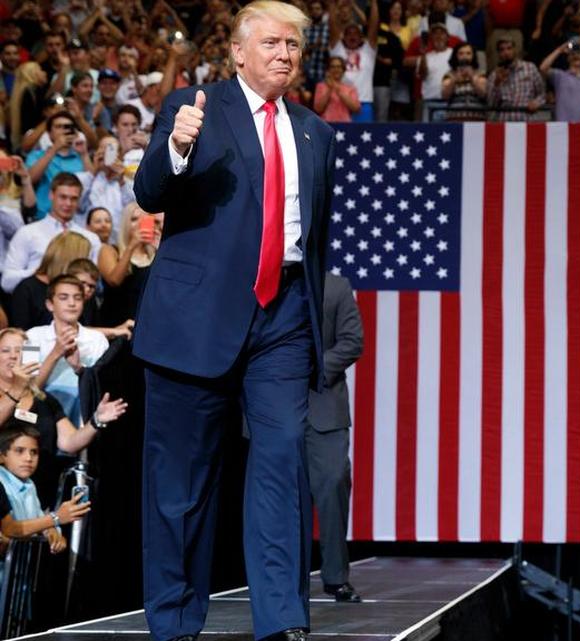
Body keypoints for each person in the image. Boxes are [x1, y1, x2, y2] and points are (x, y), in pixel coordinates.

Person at [131, 1, 335, 639]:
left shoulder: (314, 131)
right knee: (181, 486)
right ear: (239, 53)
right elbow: (149, 193)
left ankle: (282, 622)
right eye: (272, 43)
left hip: (282, 322)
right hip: (195, 323)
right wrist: (177, 147)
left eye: (294, 46)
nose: (284, 54)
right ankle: (173, 622)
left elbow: (313, 234)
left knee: (280, 463)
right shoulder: (194, 108)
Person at [0, 327, 127, 510]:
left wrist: (96, 420)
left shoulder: (44, 400)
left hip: (39, 498)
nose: (13, 356)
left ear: (29, 356)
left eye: (20, 350)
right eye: (5, 350)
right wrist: (16, 391)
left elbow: (69, 442)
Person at [307, 272, 364, 603]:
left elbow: (352, 341)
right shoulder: (263, 281)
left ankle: (335, 576)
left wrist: (310, 368)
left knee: (333, 482)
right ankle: (285, 581)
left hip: (323, 405)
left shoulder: (336, 287)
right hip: (273, 408)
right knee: (282, 499)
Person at [26, 275, 111, 426]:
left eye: (77, 298)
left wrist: (79, 368)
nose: (72, 303)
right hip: (42, 420)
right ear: (50, 304)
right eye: (63, 297)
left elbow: (101, 388)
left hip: (83, 419)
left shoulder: (98, 340)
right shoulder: (31, 337)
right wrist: (56, 353)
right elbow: (28, 390)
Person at [3, 173, 101, 294]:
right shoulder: (27, 233)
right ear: (51, 195)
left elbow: (95, 283)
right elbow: (7, 282)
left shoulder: (91, 239)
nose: (68, 204)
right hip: (35, 302)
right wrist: (41, 272)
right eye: (63, 197)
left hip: (77, 305)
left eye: (74, 198)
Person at [0, 425, 91, 547]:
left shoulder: (29, 484)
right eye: (19, 451)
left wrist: (53, 534)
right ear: (2, 456)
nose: (28, 458)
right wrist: (56, 517)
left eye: (34, 452)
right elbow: (10, 529)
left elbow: (41, 520)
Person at [9, 231, 92, 330]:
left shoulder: (82, 290)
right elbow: (21, 337)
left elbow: (88, 331)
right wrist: (56, 346)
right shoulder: (27, 289)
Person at [26, 112, 94, 218]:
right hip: (44, 217)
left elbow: (93, 185)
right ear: (49, 133)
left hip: (77, 219)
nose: (64, 130)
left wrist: (84, 154)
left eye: (68, 127)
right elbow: (29, 179)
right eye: (59, 127)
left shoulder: (81, 155)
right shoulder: (37, 155)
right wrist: (54, 149)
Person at [540, 41, 580, 127]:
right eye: (573, 54)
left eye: (579, 53)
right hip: (562, 129)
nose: (576, 56)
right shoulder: (560, 76)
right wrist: (560, 50)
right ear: (568, 58)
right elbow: (543, 68)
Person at [486, 38, 545, 121]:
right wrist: (497, 83)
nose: (506, 52)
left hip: (527, 118)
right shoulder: (494, 75)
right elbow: (492, 104)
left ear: (515, 50)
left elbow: (542, 94)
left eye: (509, 48)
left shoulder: (530, 68)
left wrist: (536, 102)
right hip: (505, 122)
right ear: (499, 54)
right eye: (502, 50)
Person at [440, 42, 486, 120]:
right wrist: (454, 80)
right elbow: (445, 96)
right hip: (454, 117)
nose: (465, 56)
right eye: (461, 53)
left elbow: (483, 94)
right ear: (456, 56)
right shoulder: (449, 75)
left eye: (468, 53)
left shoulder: (481, 74)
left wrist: (472, 78)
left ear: (473, 56)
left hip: (476, 117)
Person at [314, 56, 361, 123]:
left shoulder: (350, 88)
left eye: (339, 67)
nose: (336, 69)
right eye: (333, 67)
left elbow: (356, 109)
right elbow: (318, 109)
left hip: (345, 125)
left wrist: (336, 89)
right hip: (325, 125)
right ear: (328, 69)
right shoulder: (320, 86)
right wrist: (329, 90)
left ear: (343, 70)